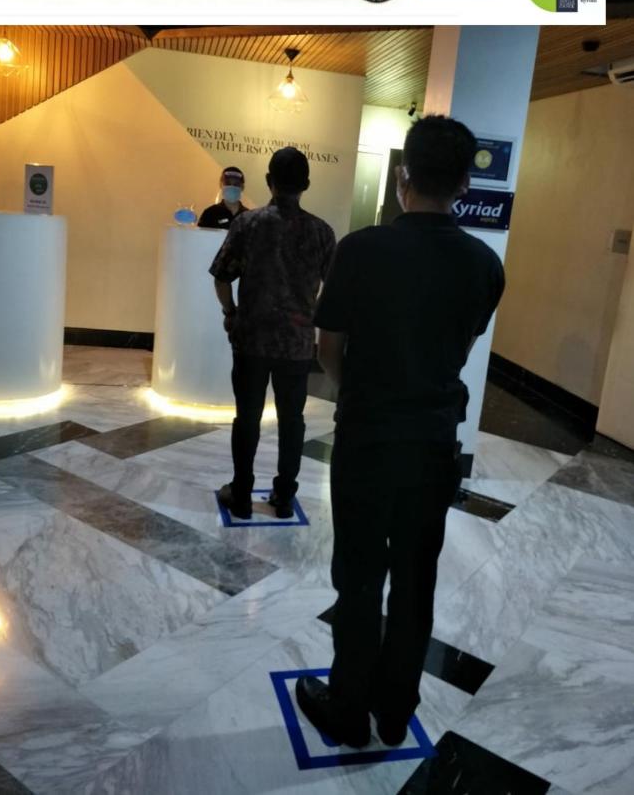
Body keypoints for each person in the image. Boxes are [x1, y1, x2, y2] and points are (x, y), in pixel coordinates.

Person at [296, 115, 505, 749]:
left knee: (360, 576)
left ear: (402, 176)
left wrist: (357, 391)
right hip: (434, 442)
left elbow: (328, 348)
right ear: (465, 182)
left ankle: (348, 710)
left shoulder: (360, 249)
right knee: (417, 580)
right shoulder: (484, 264)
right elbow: (460, 347)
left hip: (367, 437)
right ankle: (394, 713)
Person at [209, 147, 336, 520]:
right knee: (292, 420)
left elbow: (221, 277)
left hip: (251, 340)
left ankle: (242, 495)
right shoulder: (322, 232)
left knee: (247, 418)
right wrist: (310, 316)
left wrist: (231, 313)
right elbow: (334, 288)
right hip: (296, 346)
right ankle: (283, 497)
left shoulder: (248, 224)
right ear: (306, 184)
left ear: (268, 181)